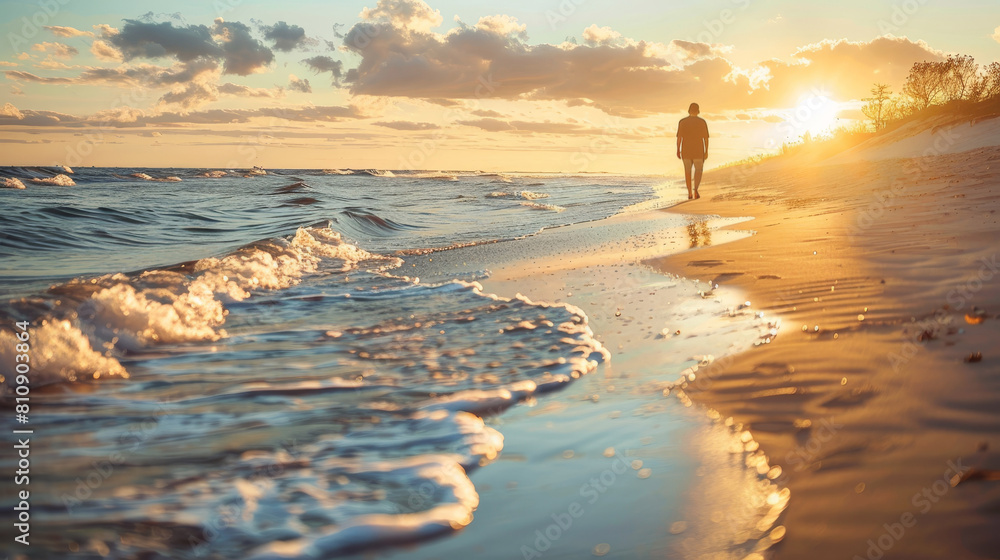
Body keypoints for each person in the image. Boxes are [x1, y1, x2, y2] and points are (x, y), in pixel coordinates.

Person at [676, 102, 710, 200]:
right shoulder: (702, 122)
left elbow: (679, 138)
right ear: (698, 111)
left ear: (689, 110)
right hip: (698, 150)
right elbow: (706, 138)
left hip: (686, 150)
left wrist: (678, 150)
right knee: (698, 170)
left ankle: (689, 193)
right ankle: (696, 190)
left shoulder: (682, 122)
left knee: (687, 171)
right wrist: (706, 151)